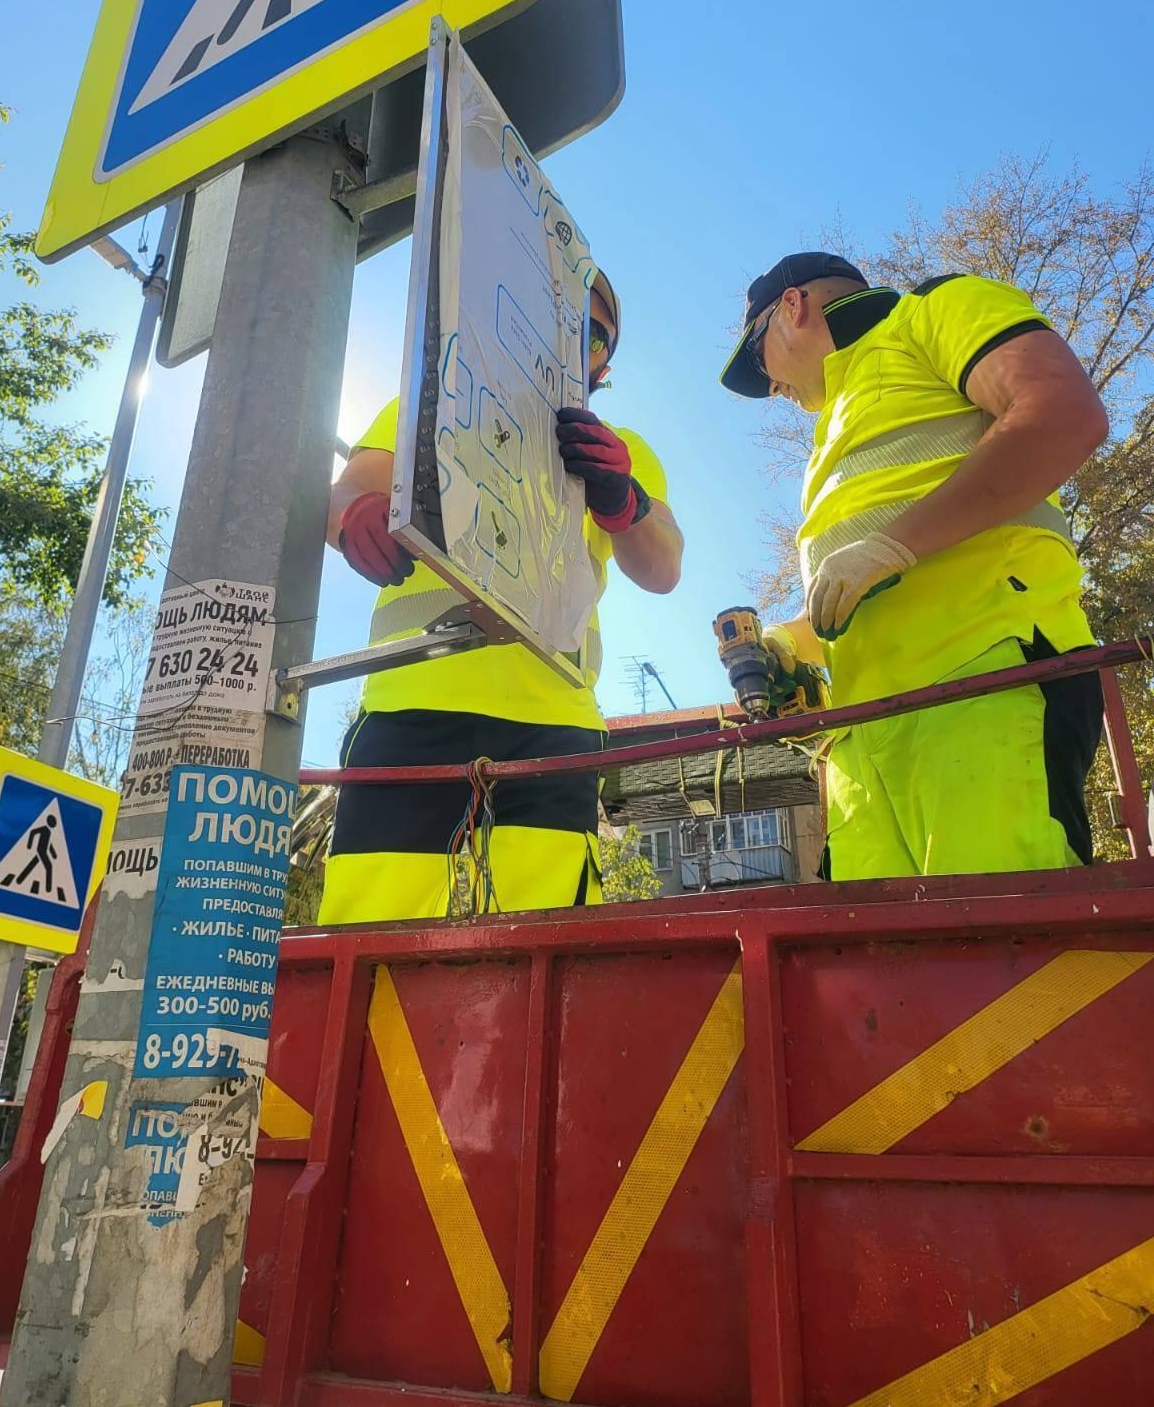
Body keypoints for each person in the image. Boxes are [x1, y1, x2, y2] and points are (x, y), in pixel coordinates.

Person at [721, 251, 1109, 881]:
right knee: (885, 970)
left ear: (791, 307)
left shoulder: (929, 312)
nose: (768, 387)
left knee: (1004, 950)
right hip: (863, 743)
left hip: (985, 680)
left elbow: (1063, 412)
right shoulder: (834, 430)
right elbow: (868, 589)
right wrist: (787, 645)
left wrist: (892, 545)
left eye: (758, 356)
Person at [321, 270, 683, 922]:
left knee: (549, 952)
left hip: (554, 724)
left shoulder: (625, 453)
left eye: (595, 335)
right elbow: (345, 490)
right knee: (362, 939)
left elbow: (662, 566)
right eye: (561, 315)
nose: (575, 340)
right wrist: (353, 515)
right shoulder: (430, 405)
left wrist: (621, 500)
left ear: (604, 369)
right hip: (413, 705)